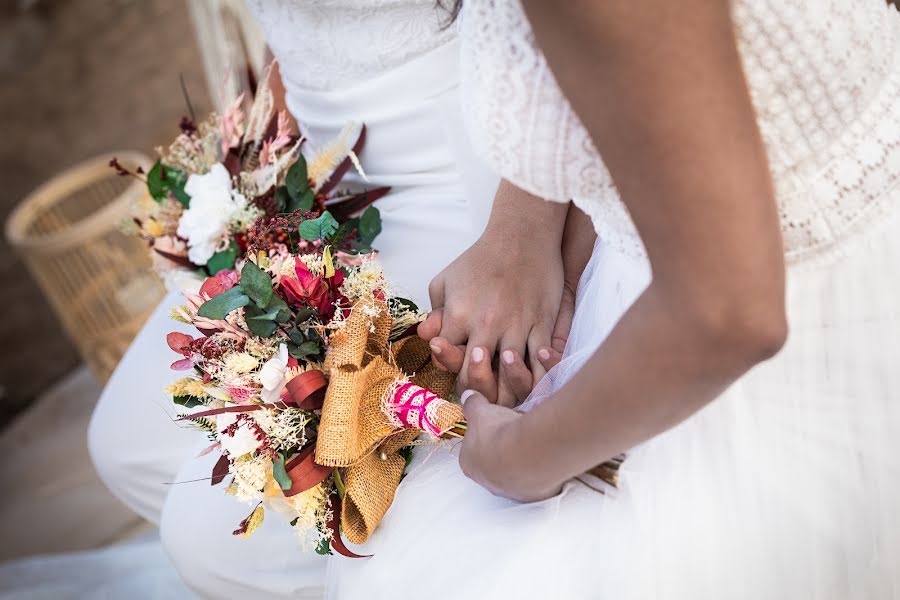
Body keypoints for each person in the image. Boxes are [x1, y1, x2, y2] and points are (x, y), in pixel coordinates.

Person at [327, 0, 900, 598]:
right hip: (674, 274)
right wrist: (550, 252)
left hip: (783, 340)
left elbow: (730, 315)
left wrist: (518, 459)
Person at [156, 2, 581, 598]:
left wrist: (524, 229)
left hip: (463, 161)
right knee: (125, 444)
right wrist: (260, 159)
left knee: (207, 540)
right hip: (318, 174)